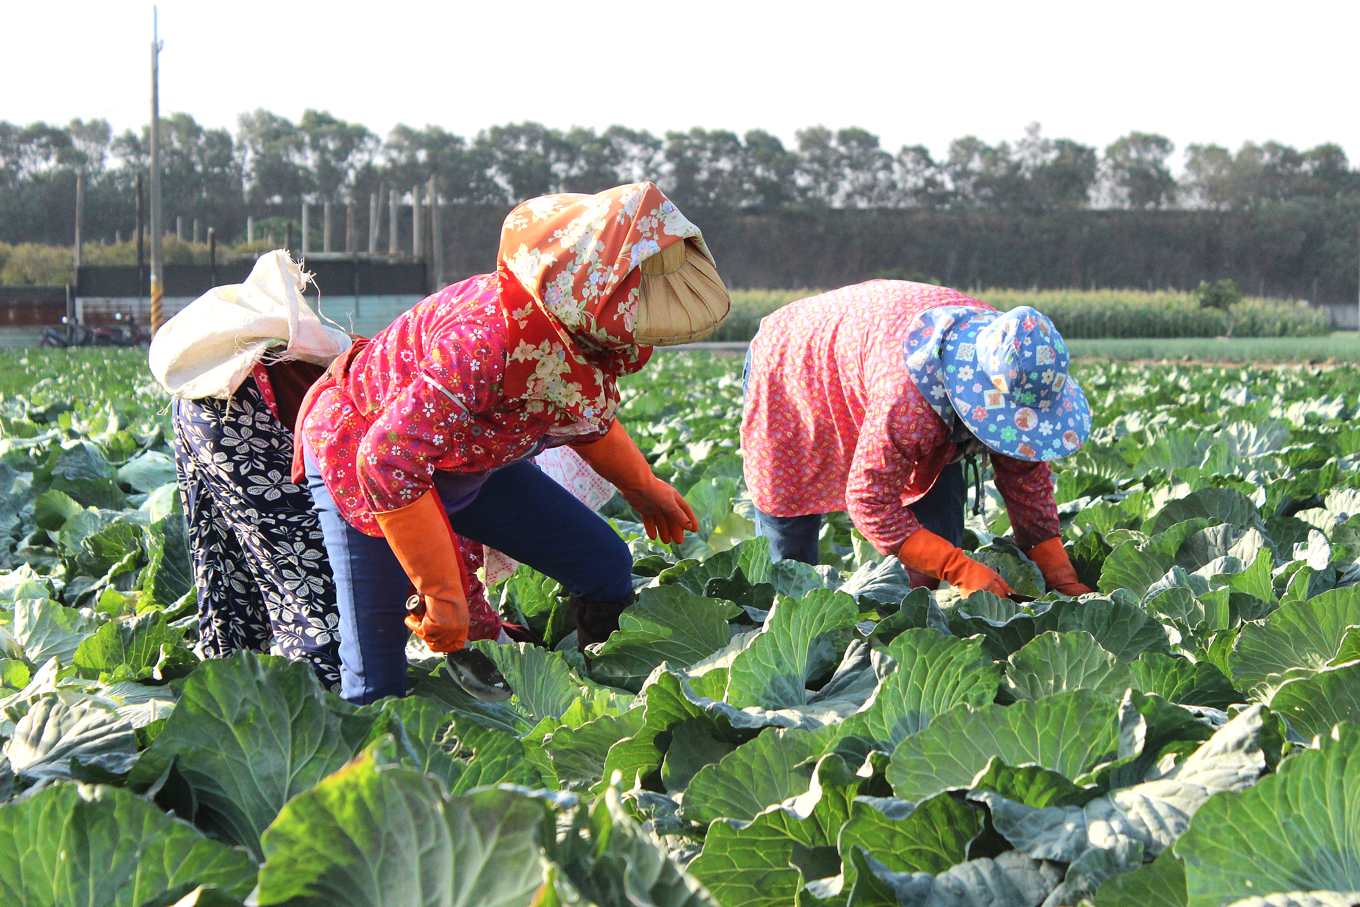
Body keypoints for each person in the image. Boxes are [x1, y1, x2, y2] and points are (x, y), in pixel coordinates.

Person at [293, 182, 732, 704]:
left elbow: (586, 416)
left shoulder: (586, 336)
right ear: (589, 284)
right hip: (364, 453)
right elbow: (389, 460)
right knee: (378, 673)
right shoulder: (484, 340)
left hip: (474, 461)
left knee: (604, 564)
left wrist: (642, 486)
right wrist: (441, 592)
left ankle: (602, 698)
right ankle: (373, 765)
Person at [740, 280, 1092, 598]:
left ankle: (916, 633)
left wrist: (1059, 573)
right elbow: (871, 503)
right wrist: (960, 569)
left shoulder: (1013, 354)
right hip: (794, 364)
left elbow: (1025, 474)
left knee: (939, 535)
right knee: (791, 551)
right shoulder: (910, 400)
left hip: (876, 350)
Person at [149, 251, 352, 688]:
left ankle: (232, 694)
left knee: (225, 563)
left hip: (204, 400)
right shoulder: (372, 375)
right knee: (311, 584)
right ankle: (323, 704)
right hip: (244, 406)